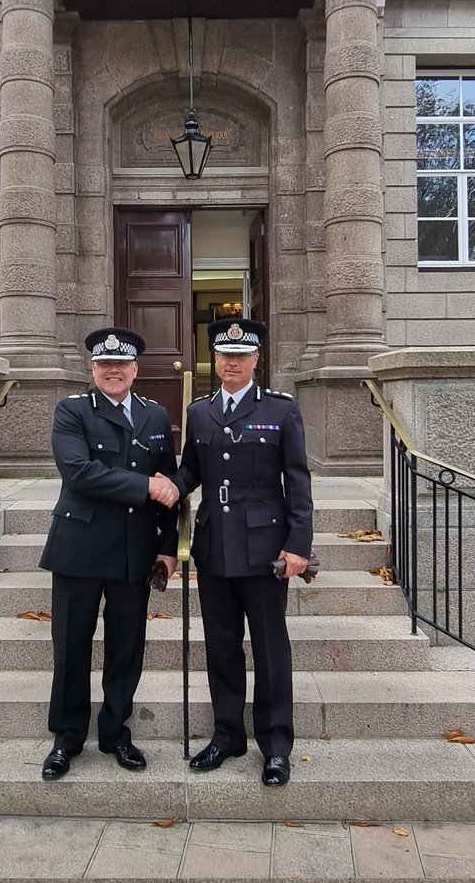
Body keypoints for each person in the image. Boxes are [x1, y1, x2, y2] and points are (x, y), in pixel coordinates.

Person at [174, 317, 314, 787]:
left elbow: (297, 481)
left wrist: (298, 545)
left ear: (256, 360)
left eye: (241, 356)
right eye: (224, 356)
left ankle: (275, 746)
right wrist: (161, 487)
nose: (231, 363)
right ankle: (228, 734)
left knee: (271, 650)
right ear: (215, 360)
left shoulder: (281, 409)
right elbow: (191, 471)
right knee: (221, 648)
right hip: (214, 548)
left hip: (264, 549)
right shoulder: (199, 413)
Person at [38, 326, 179, 780]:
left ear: (135, 370)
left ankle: (117, 732)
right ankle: (67, 735)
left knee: (126, 648)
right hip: (80, 547)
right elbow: (80, 473)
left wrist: (167, 547)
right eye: (104, 365)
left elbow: (171, 485)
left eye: (121, 365)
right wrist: (145, 486)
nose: (113, 371)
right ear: (93, 369)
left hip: (132, 550)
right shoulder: (72, 411)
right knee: (71, 647)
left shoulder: (156, 416)